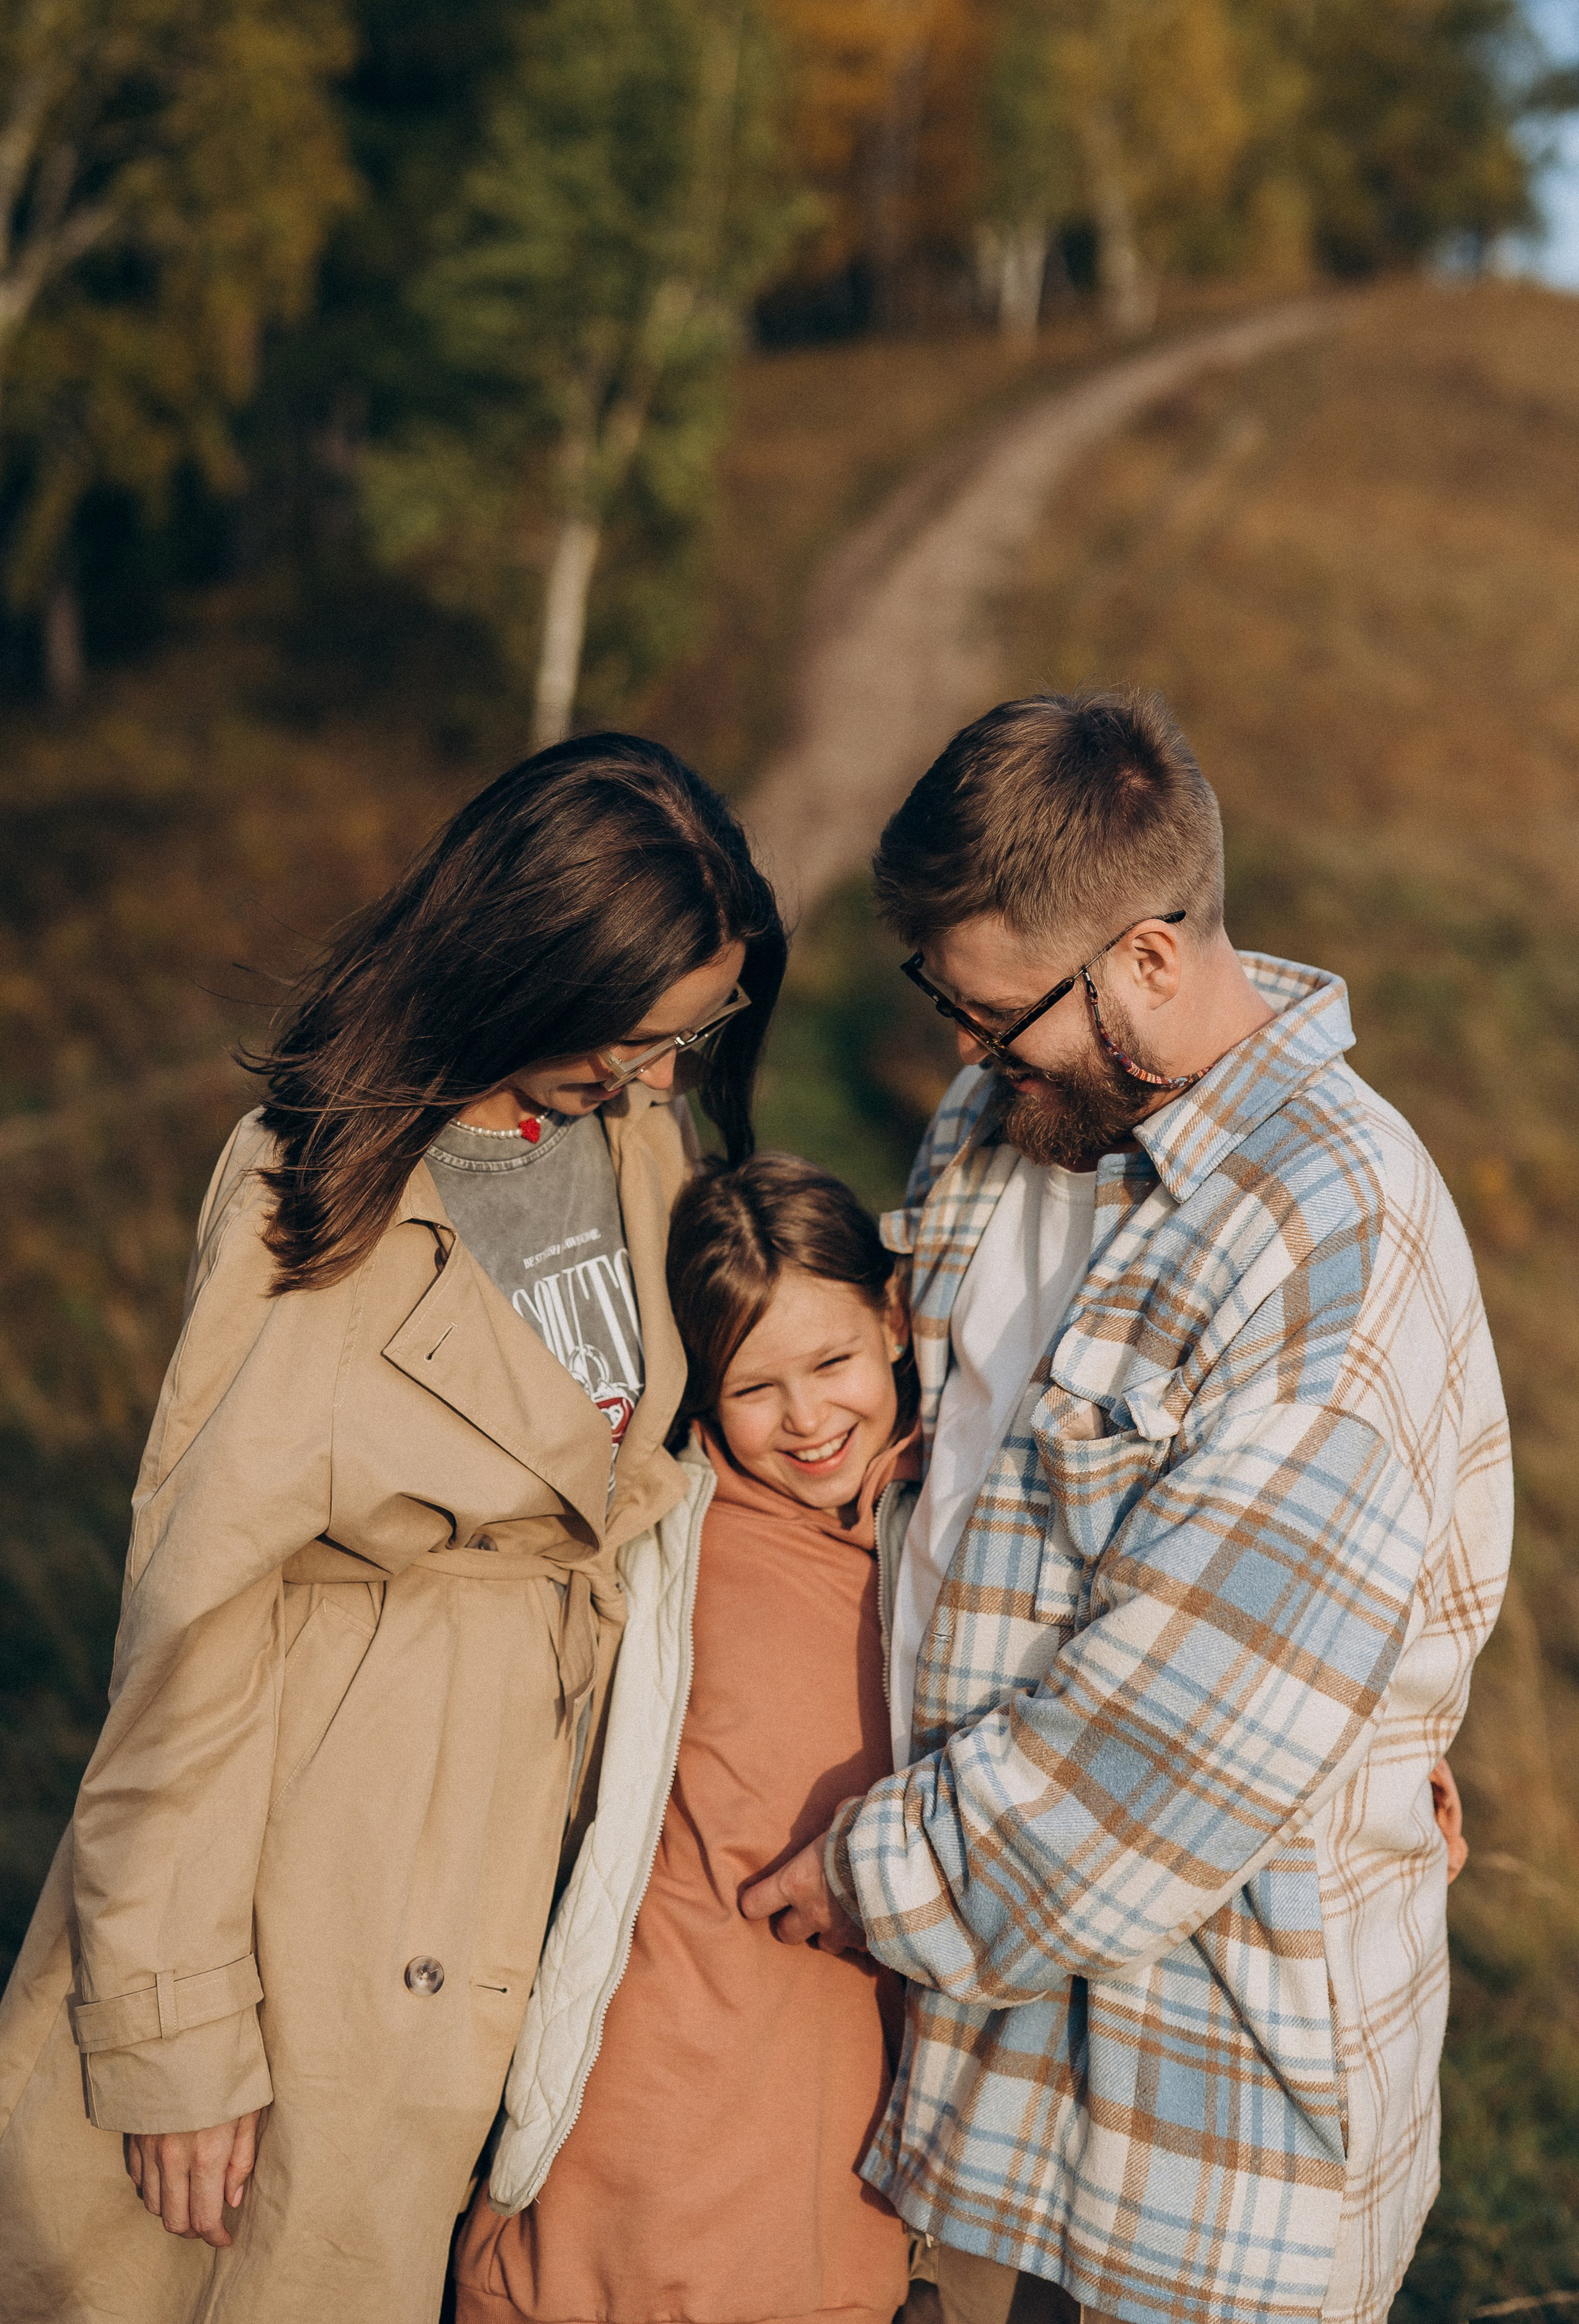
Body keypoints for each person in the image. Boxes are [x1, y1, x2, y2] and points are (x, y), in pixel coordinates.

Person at [744, 692, 1512, 2324]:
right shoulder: (1008, 1124)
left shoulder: (1330, 1236)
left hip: (1209, 2120)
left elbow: (1178, 1735)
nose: (960, 1053)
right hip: (990, 2079)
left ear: (1151, 961)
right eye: (942, 1004)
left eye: (995, 1014)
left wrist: (879, 1881)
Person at [0, 733, 785, 2324]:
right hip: (328, 1871)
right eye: (630, 1038)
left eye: (689, 1039)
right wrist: (176, 2023)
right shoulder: (324, 1185)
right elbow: (195, 1621)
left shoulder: (632, 1136)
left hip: (530, 1852)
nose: (654, 1078)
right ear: (521, 970)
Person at [453, 1154, 920, 2324]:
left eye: (833, 1363)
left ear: (896, 1322)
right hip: (657, 2097)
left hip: (843, 2108)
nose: (810, 1420)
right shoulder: (673, 1545)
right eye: (757, 1388)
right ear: (703, 1392)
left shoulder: (955, 1523)